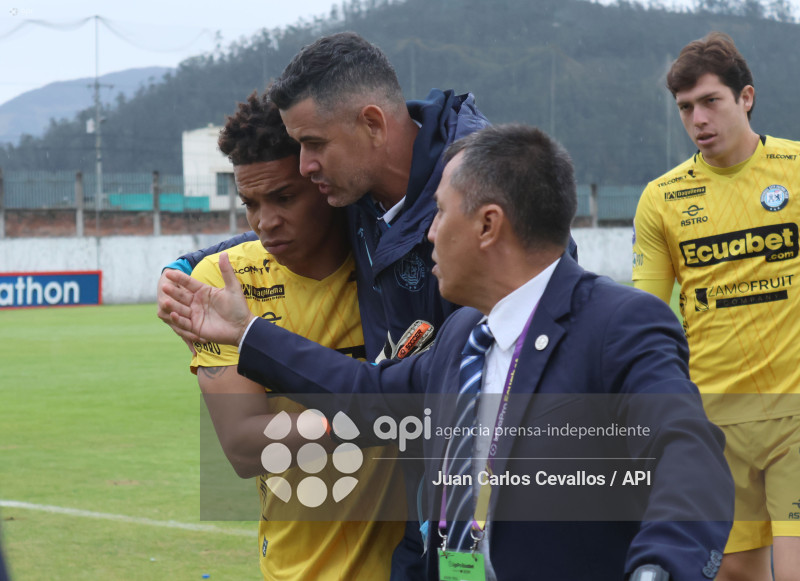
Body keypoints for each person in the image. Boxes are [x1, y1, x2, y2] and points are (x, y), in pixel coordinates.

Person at [165, 124, 733, 581]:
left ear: (488, 225)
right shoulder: (463, 335)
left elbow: (689, 456)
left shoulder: (618, 324)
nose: (427, 234)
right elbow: (366, 395)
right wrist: (248, 334)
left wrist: (661, 569)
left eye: (438, 212)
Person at [157, 31, 577, 360]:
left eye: (314, 143)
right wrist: (184, 270)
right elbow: (281, 229)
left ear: (373, 124)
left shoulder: (490, 194)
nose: (304, 165)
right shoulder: (356, 189)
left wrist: (253, 339)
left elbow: (530, 359)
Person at [188, 90, 406, 581]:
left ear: (323, 183)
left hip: (408, 567)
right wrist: (383, 411)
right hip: (295, 569)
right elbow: (244, 446)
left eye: (284, 198)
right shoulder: (225, 283)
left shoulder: (392, 270)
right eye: (251, 203)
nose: (266, 222)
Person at [632, 32, 800, 581]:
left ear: (745, 98)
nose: (698, 119)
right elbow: (645, 317)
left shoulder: (795, 170)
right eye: (685, 108)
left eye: (711, 102)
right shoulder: (662, 199)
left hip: (794, 414)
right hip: (713, 424)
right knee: (733, 573)